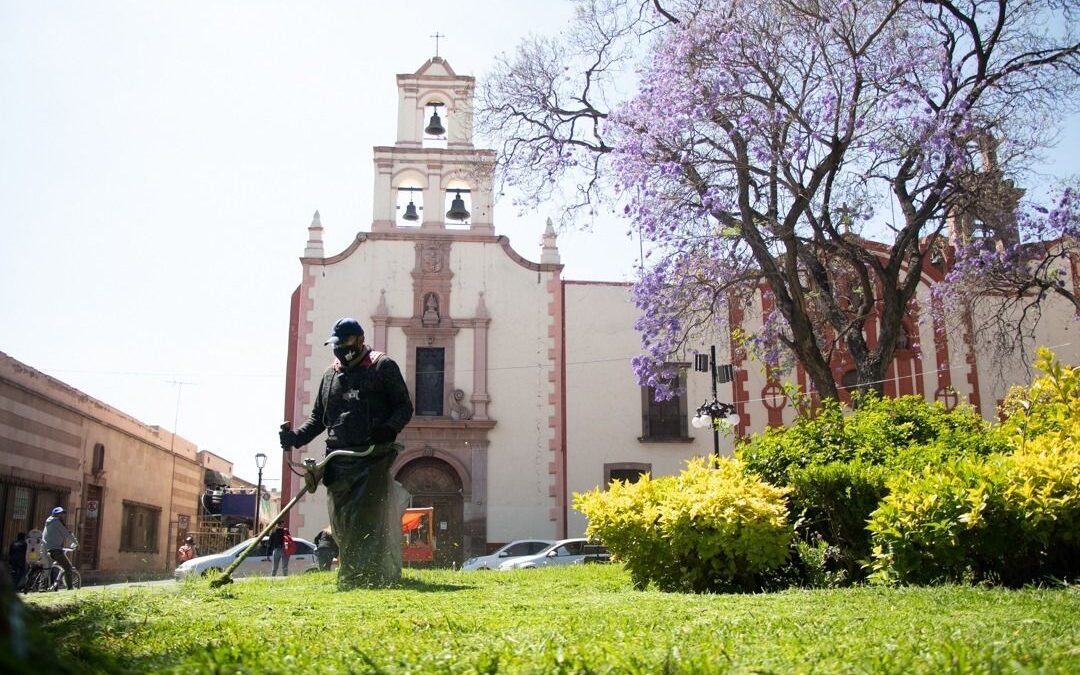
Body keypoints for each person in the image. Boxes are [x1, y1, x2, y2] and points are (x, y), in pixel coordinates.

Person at [279, 317, 413, 588]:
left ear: (360, 340)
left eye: (346, 343)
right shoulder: (330, 376)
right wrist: (295, 438)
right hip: (337, 460)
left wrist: (388, 429)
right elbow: (318, 419)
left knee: (364, 519)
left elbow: (404, 406)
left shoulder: (382, 366)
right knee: (342, 523)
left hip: (371, 456)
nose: (340, 349)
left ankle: (361, 577)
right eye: (336, 344)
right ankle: (359, 573)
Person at [42, 507, 77, 591]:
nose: (62, 515)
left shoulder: (48, 522)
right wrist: (76, 543)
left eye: (62, 513)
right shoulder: (57, 522)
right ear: (55, 515)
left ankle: (51, 585)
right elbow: (66, 534)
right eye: (60, 514)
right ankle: (70, 588)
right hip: (55, 549)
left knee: (49, 567)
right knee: (68, 567)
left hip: (45, 548)